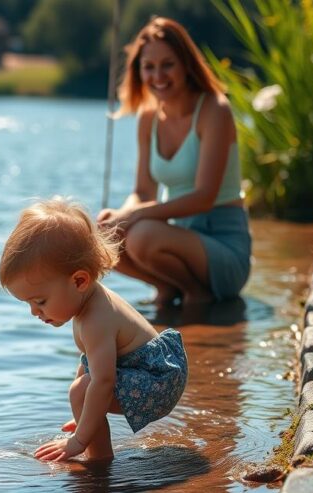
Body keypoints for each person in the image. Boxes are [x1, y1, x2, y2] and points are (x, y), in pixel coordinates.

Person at [0, 198, 188, 462]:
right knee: (83, 390)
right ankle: (92, 441)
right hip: (153, 374)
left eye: (40, 301)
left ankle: (99, 462)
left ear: (78, 280)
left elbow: (103, 381)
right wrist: (86, 415)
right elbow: (90, 363)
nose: (34, 312)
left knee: (82, 390)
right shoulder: (88, 302)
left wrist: (79, 439)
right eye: (28, 303)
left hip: (157, 383)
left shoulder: (96, 320)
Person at [97, 16, 251, 307]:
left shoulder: (214, 110)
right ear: (138, 71)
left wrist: (136, 216)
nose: (158, 76)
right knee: (104, 235)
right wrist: (119, 216)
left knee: (140, 234)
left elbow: (204, 197)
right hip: (177, 239)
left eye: (167, 65)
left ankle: (198, 295)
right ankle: (168, 291)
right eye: (149, 67)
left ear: (185, 64)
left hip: (224, 248)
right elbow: (143, 192)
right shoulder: (148, 117)